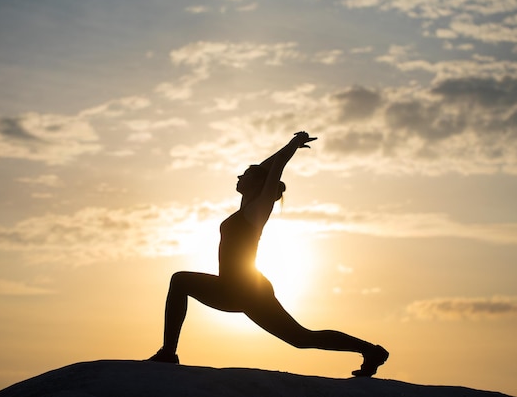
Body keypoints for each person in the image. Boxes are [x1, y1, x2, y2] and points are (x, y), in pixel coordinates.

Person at [148, 132, 388, 377]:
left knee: (181, 281)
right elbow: (265, 168)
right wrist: (279, 153)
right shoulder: (247, 205)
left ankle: (168, 353)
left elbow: (276, 168)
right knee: (301, 338)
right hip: (236, 287)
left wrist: (294, 144)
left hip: (244, 288)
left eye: (245, 174)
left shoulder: (259, 209)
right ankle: (371, 351)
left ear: (257, 183)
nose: (239, 176)